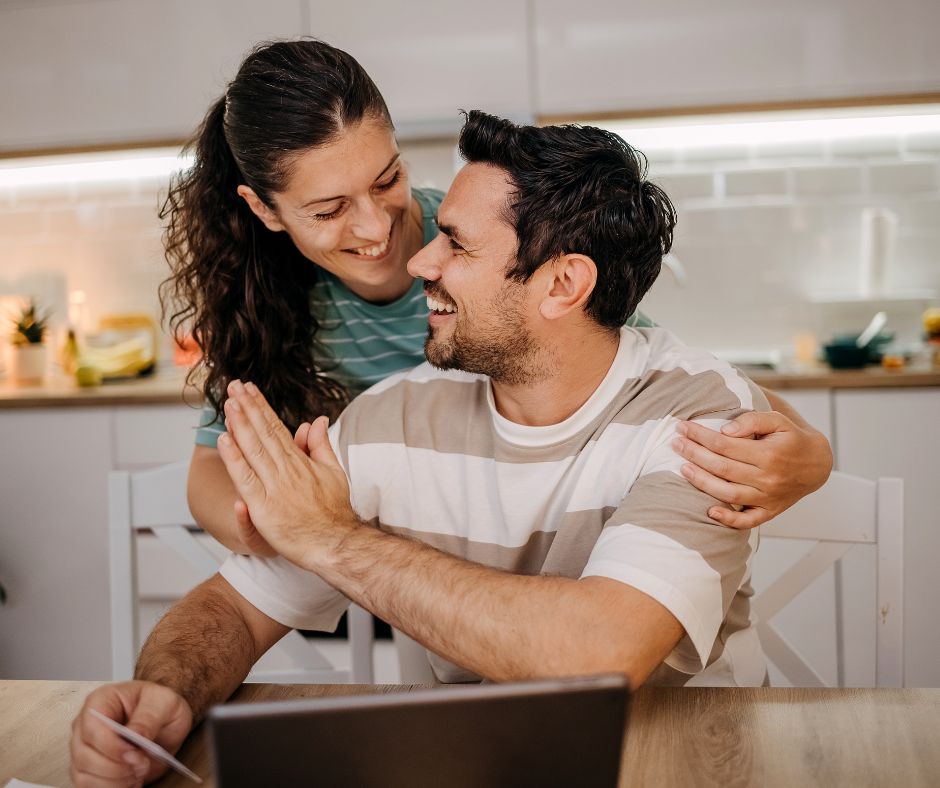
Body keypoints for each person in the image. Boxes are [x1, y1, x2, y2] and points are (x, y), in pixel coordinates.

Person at [73, 111, 772, 787]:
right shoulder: (393, 416)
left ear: (564, 284)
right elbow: (230, 608)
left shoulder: (703, 426)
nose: (420, 260)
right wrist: (166, 692)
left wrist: (335, 539)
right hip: (475, 764)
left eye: (457, 245)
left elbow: (598, 656)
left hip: (685, 758)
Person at [160, 38, 831, 563]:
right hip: (360, 582)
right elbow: (209, 471)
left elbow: (652, 367)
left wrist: (808, 455)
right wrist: (274, 528)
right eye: (329, 209)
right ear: (264, 210)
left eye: (388, 179)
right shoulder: (260, 295)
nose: (377, 229)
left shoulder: (488, 247)